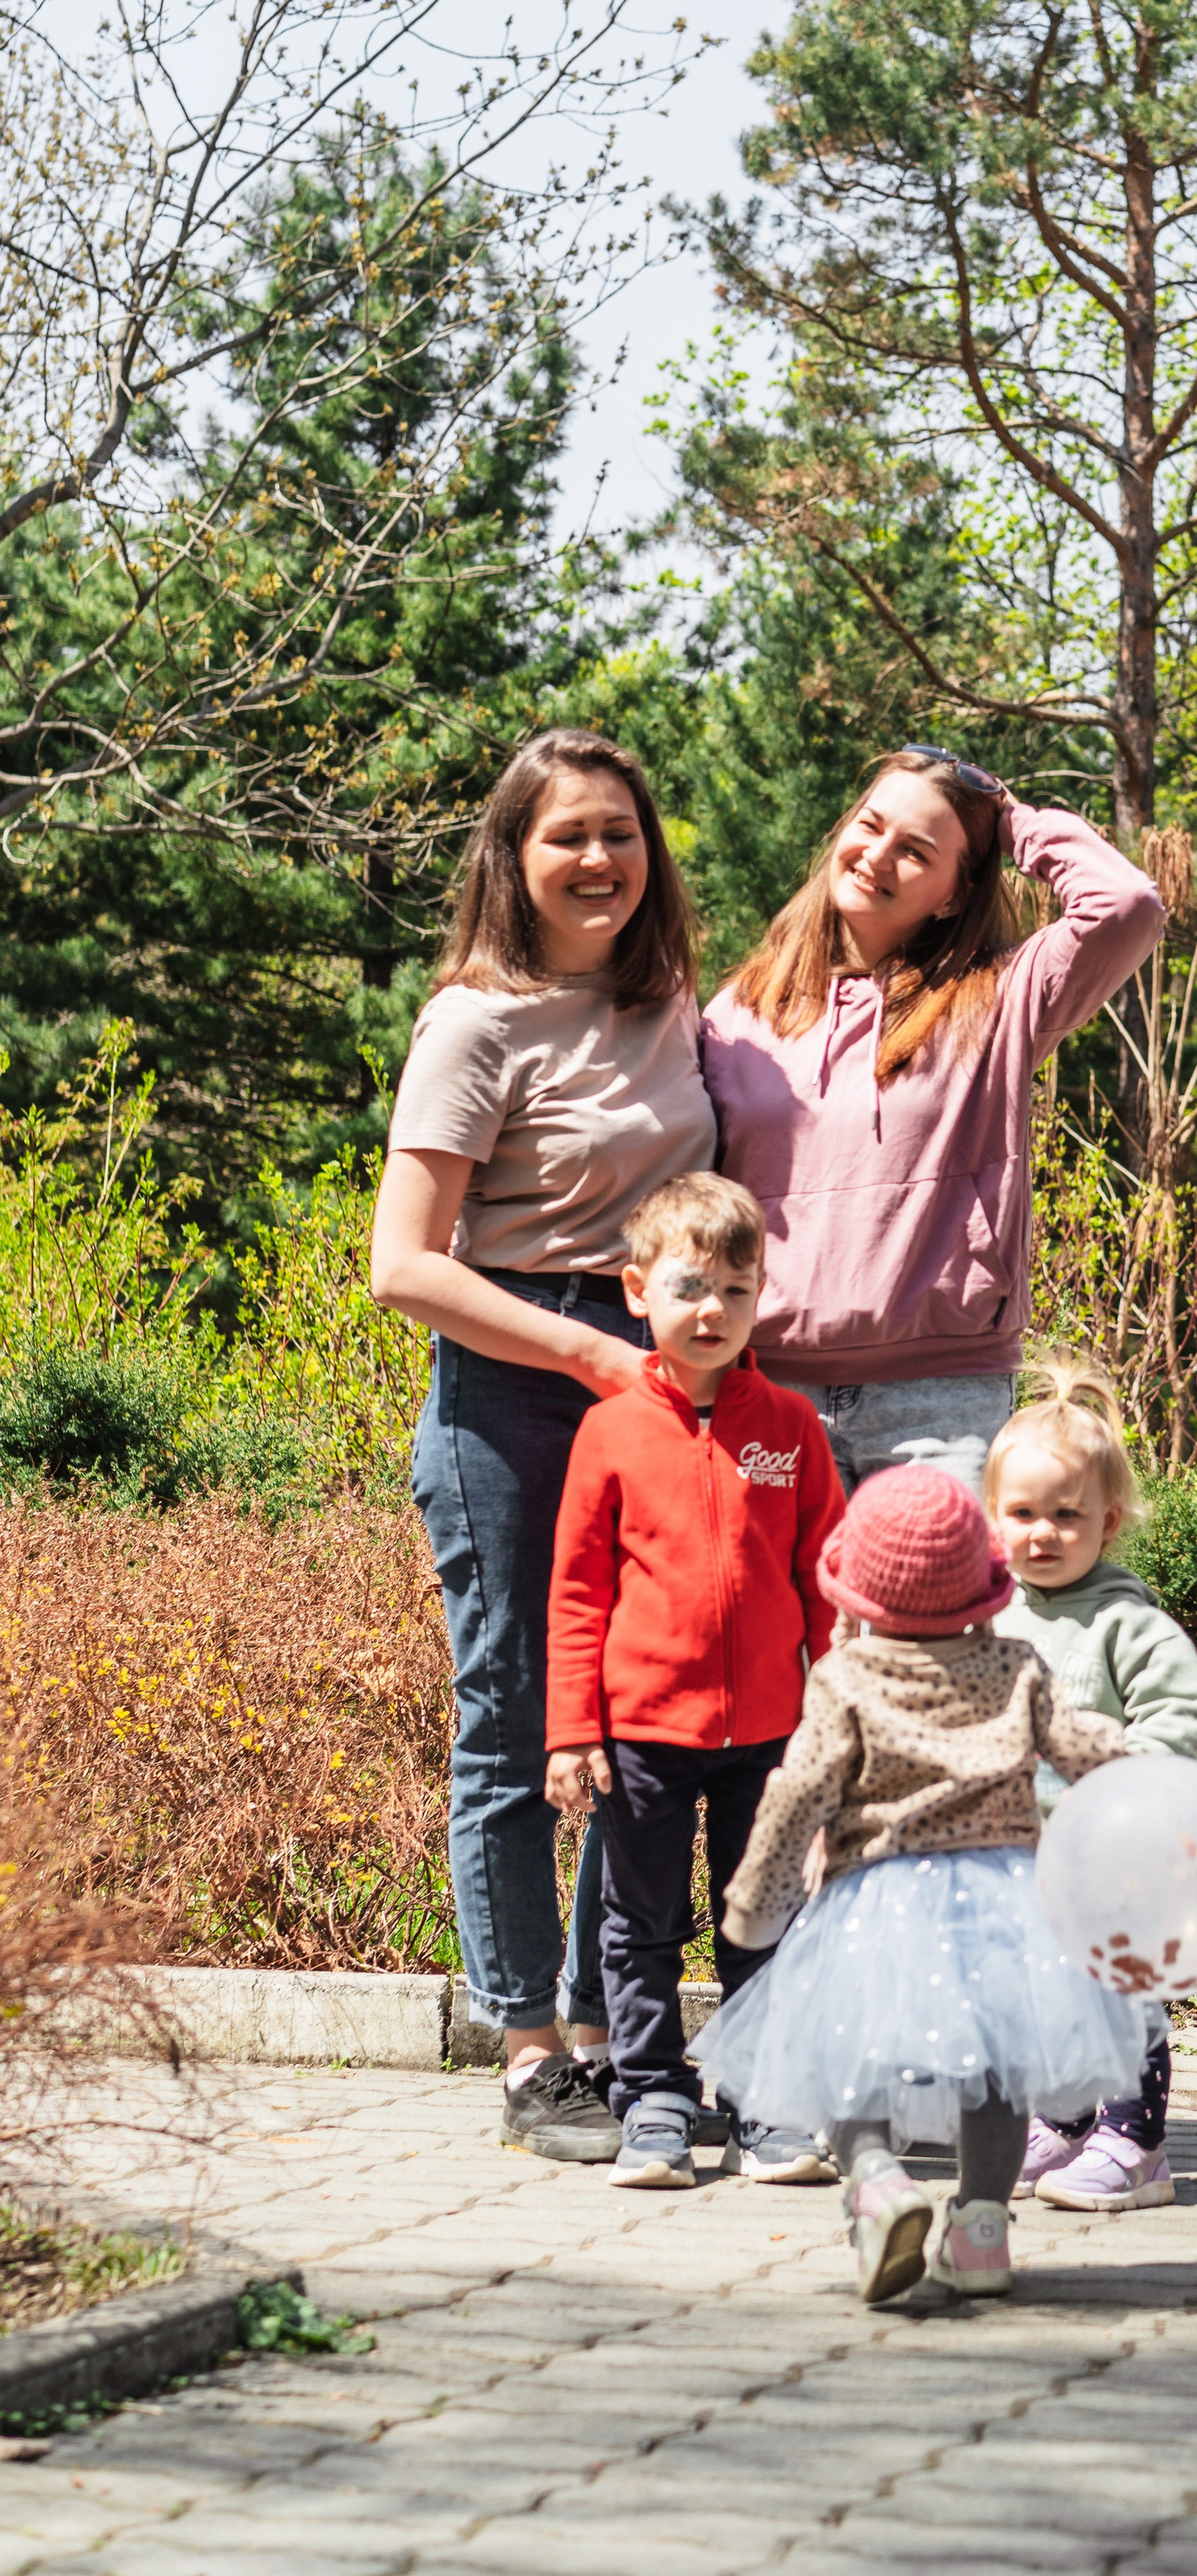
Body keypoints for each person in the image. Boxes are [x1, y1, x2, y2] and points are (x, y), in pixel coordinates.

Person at [371, 729, 716, 2165]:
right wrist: (581, 1348)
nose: (599, 860)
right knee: (515, 1717)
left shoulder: (672, 1004)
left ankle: (607, 2026)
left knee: (635, 1723)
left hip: (647, 1389)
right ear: (513, 857)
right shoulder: (474, 1023)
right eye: (568, 835)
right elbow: (402, 1265)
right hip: (514, 1392)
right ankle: (528, 2054)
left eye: (621, 835)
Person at [692, 1465, 1157, 2306]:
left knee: (846, 2056)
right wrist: (1145, 1779)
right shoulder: (1016, 1666)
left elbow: (799, 1791)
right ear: (982, 1586)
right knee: (997, 2075)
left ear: (859, 1593)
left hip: (879, 1897)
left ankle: (877, 2184)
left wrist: (755, 1905)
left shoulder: (846, 1679)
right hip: (1009, 1901)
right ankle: (980, 2230)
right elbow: (1082, 1745)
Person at [701, 747, 1163, 1496]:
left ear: (954, 894)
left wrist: (1009, 820)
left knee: (928, 1617)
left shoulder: (1000, 995)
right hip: (767, 1387)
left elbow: (1126, 904)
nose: (877, 856)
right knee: (778, 1616)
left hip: (938, 1402)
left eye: (916, 851)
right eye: (870, 825)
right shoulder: (739, 1012)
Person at [543, 1172, 846, 2189]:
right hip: (642, 1735)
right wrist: (570, 1731)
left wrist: (837, 1716)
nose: (711, 1311)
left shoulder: (792, 1429)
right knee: (641, 1927)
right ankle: (653, 2102)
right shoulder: (611, 1432)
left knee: (761, 1920)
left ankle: (763, 2105)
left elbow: (827, 1585)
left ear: (762, 1295)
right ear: (639, 1295)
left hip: (769, 1733)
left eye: (734, 1289)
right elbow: (578, 1593)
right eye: (687, 1288)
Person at [986, 1358, 1197, 2214]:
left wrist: (1133, 1780)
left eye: (1066, 1515)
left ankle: (1133, 2139)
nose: (1042, 1533)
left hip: (1117, 1846)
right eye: (1023, 1515)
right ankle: (1066, 2117)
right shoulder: (993, 1611)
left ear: (1108, 1521)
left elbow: (1176, 1705)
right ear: (993, 1518)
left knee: (1122, 1988)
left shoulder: (1124, 1615)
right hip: (1023, 1844)